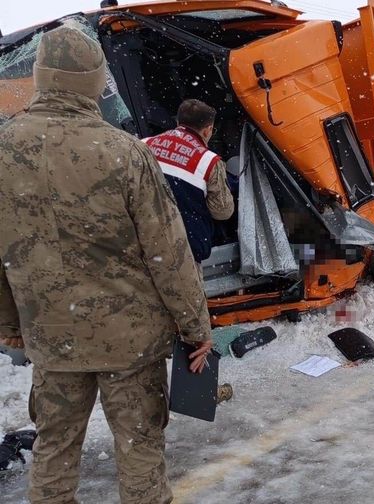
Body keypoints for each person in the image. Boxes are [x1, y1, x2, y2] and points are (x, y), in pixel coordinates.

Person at [0, 26, 212, 503]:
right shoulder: (125, 152)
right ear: (96, 81)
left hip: (52, 336)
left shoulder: (4, 149)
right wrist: (195, 326)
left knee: (53, 448)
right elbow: (169, 253)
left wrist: (11, 324)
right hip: (130, 341)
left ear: (39, 77)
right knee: (139, 449)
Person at [145, 99, 235, 263]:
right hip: (184, 251)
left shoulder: (144, 144)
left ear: (178, 122)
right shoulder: (209, 161)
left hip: (144, 242)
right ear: (208, 131)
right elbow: (223, 212)